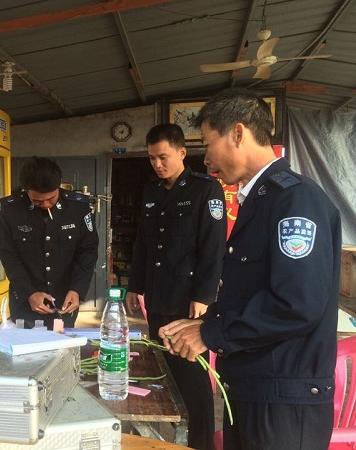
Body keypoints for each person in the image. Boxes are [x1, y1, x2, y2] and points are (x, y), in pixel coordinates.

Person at [159, 88, 341, 450]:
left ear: (238, 133)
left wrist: (212, 334)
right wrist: (205, 323)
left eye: (208, 144)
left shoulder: (295, 200)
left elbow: (296, 304)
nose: (206, 159)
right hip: (252, 388)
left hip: (282, 403)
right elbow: (251, 291)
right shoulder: (263, 199)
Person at [125, 123, 227, 450]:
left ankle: (200, 443)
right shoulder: (151, 192)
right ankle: (172, 440)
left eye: (163, 157)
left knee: (192, 379)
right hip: (158, 298)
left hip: (188, 302)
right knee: (163, 374)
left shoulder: (205, 189)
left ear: (182, 153)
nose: (157, 164)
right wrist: (134, 286)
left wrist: (204, 295)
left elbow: (213, 246)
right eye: (152, 158)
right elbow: (143, 243)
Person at [0, 156, 99, 329]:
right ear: (26, 191)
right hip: (25, 300)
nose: (45, 205)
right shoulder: (12, 210)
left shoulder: (77, 207)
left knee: (62, 343)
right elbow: (8, 255)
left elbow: (87, 251)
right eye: (37, 201)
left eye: (51, 199)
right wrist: (29, 293)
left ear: (59, 186)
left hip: (64, 299)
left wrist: (77, 289)